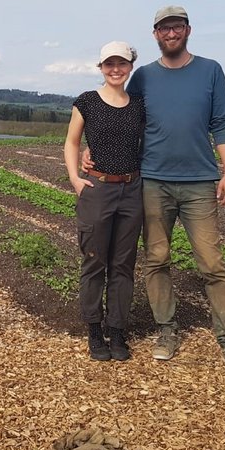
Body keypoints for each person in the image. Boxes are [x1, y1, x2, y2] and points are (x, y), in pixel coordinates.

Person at [85, 5, 225, 377]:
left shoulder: (211, 70)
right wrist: (90, 147)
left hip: (199, 183)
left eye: (176, 27)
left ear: (188, 30)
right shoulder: (143, 76)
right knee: (157, 259)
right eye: (164, 28)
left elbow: (221, 123)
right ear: (155, 35)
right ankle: (166, 331)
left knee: (212, 263)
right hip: (153, 182)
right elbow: (122, 117)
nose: (171, 33)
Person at [64, 41, 145, 362]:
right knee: (95, 260)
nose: (116, 69)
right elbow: (72, 143)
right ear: (100, 67)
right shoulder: (87, 102)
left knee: (123, 265)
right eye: (109, 64)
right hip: (97, 187)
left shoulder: (139, 104)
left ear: (130, 67)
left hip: (132, 189)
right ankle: (95, 330)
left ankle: (118, 330)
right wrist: (74, 177)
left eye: (122, 64)